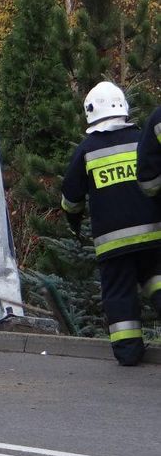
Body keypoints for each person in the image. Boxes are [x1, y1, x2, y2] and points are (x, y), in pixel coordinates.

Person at [61, 80, 161, 366]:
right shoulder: (142, 138)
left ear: (90, 112)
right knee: (156, 279)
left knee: (119, 293)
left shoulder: (86, 150)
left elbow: (71, 198)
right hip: (153, 235)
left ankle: (129, 352)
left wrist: (74, 223)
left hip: (112, 243)